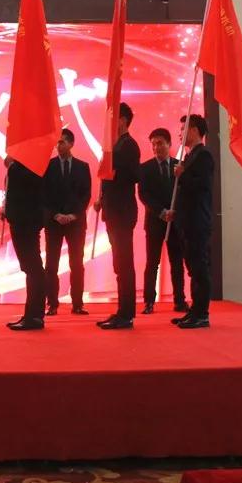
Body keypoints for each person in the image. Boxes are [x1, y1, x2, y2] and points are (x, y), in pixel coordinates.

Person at [95, 102, 141, 330]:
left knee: (124, 264)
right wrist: (102, 200)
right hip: (113, 211)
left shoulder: (128, 145)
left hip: (122, 212)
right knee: (119, 264)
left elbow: (132, 175)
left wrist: (111, 167)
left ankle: (127, 314)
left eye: (113, 118)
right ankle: (123, 311)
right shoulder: (116, 145)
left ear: (122, 120)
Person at [167, 114, 215, 329]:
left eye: (183, 129)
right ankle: (195, 311)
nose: (180, 133)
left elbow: (203, 185)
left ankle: (202, 313)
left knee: (199, 267)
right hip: (186, 220)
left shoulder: (204, 156)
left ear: (194, 130)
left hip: (197, 221)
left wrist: (182, 174)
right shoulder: (189, 156)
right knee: (192, 268)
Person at [42, 128, 92, 316]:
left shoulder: (82, 167)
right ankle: (52, 303)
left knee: (76, 263)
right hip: (54, 222)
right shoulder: (48, 166)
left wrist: (73, 215)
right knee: (51, 264)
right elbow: (43, 195)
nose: (58, 145)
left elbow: (86, 195)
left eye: (62, 142)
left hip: (75, 222)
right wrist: (55, 215)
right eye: (57, 142)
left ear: (71, 144)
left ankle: (77, 304)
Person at [137, 128, 187, 315]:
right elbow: (144, 195)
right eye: (153, 144)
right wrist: (162, 212)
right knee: (152, 263)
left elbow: (184, 192)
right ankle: (149, 301)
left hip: (175, 222)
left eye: (160, 143)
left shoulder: (179, 166)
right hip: (155, 222)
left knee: (177, 262)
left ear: (169, 144)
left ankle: (179, 300)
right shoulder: (145, 168)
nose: (156, 147)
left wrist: (175, 211)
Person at [3, 157, 47, 331]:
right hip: (26, 222)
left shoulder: (22, 167)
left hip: (24, 223)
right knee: (32, 268)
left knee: (33, 269)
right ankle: (33, 314)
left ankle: (34, 316)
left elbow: (20, 196)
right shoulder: (31, 165)